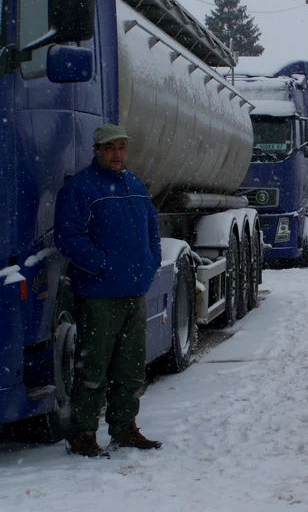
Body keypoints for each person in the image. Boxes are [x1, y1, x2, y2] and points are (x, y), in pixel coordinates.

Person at [54, 124, 162, 458]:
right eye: (110, 148)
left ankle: (125, 429)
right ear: (97, 151)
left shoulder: (135, 185)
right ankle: (83, 433)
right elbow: (68, 236)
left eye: (121, 148)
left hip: (134, 292)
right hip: (99, 295)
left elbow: (151, 229)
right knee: (93, 368)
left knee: (130, 368)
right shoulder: (81, 188)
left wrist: (150, 261)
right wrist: (103, 266)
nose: (117, 154)